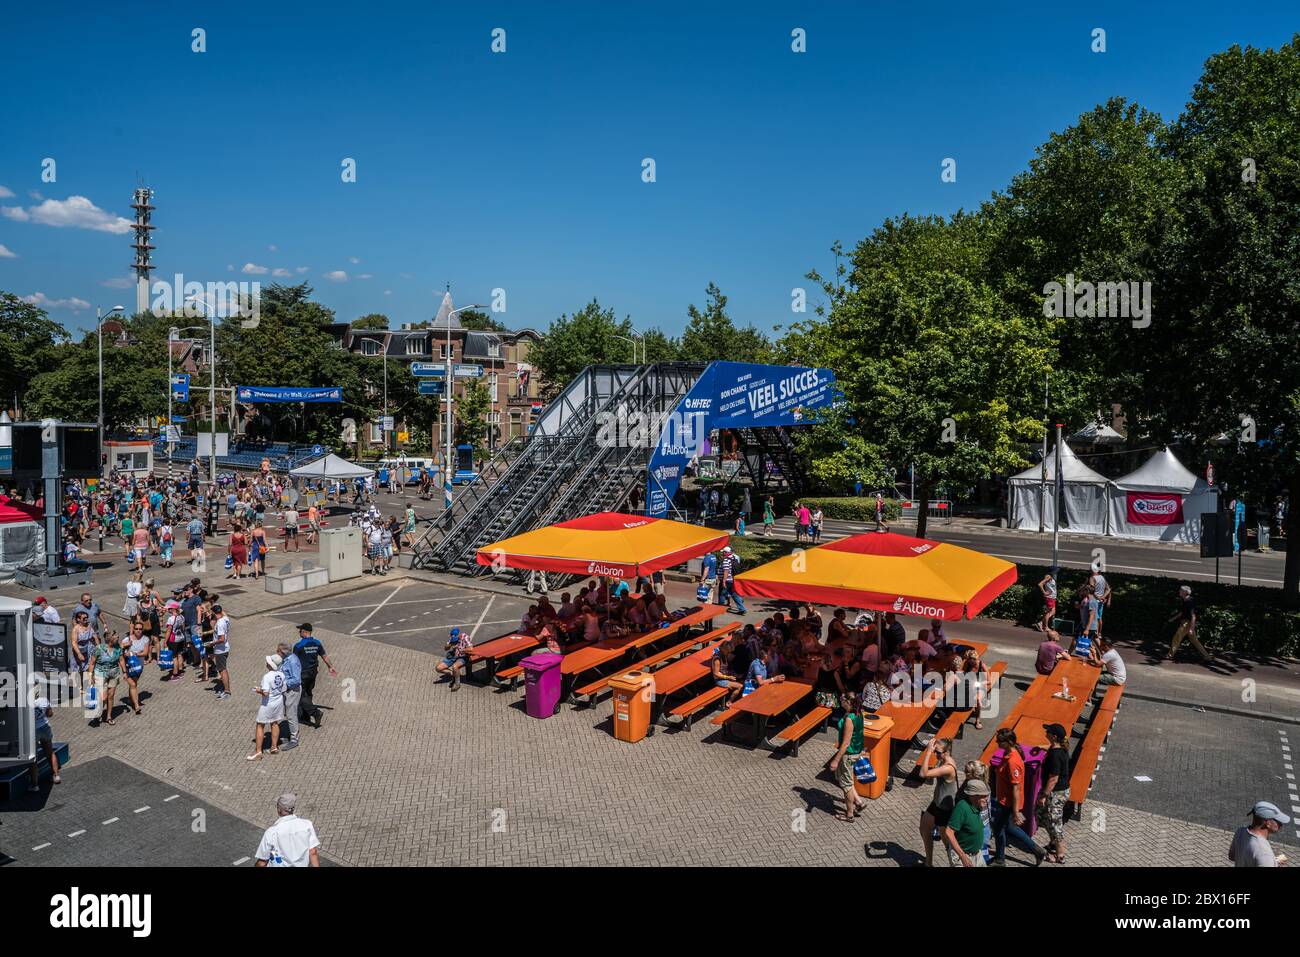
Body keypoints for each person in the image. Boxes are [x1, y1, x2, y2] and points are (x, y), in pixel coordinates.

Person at [988, 728, 1047, 865]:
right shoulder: (1009, 753)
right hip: (1005, 800)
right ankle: (1037, 850)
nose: (997, 743)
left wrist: (1015, 811)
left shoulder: (1012, 761)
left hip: (1007, 803)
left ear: (1008, 742)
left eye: (1000, 741)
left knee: (998, 829)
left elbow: (1016, 788)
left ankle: (1000, 859)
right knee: (1010, 828)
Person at [918, 736, 959, 866]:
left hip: (944, 809)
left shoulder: (948, 767)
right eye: (935, 751)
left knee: (947, 841)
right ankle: (928, 863)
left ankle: (957, 863)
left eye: (938, 752)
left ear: (946, 753)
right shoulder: (943, 759)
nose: (935, 754)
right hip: (937, 804)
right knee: (924, 829)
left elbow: (923, 774)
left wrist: (928, 752)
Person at [827, 693, 866, 822]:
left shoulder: (850, 718)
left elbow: (846, 743)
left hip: (848, 754)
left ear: (848, 702)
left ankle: (849, 814)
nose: (840, 700)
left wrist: (836, 760)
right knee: (846, 779)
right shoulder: (858, 713)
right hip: (855, 751)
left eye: (842, 699)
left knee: (847, 785)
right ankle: (859, 803)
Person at [254, 792, 322, 866]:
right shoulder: (307, 825)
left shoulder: (272, 832)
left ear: (279, 809)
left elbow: (262, 862)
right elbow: (313, 852)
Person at [1037, 723, 1071, 863]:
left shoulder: (1056, 755)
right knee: (1042, 816)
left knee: (1054, 822)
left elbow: (1053, 778)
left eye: (1048, 731)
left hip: (1056, 793)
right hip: (1058, 791)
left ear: (1054, 736)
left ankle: (1060, 853)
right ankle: (1053, 842)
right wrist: (1040, 748)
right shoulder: (1058, 748)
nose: (1046, 731)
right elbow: (1051, 749)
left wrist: (1043, 795)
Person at [293, 623, 336, 727]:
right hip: (313, 672)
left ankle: (315, 713)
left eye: (300, 631)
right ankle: (305, 715)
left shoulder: (299, 646)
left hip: (303, 673)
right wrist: (330, 667)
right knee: (308, 692)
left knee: (300, 695)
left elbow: (293, 661)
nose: (299, 632)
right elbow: (324, 656)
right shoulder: (317, 643)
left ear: (304, 632)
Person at [943, 779, 990, 867]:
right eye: (983, 796)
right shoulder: (962, 808)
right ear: (973, 796)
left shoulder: (977, 806)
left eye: (986, 796)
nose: (986, 799)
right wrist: (963, 856)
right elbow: (948, 832)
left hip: (977, 854)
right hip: (963, 856)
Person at [249, 653, 287, 761]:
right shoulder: (281, 674)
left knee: (260, 725)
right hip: (278, 701)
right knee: (274, 723)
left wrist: (257, 690)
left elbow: (265, 693)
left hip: (268, 703)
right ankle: (274, 747)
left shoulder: (267, 677)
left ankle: (258, 751)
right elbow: (283, 688)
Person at [1229, 801, 1291, 867]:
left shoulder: (1240, 831)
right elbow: (1261, 857)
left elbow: (1232, 856)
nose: (1281, 825)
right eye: (1278, 821)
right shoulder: (1264, 854)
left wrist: (1273, 862)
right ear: (1268, 823)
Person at [86, 629, 125, 726]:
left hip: (114, 674)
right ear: (110, 638)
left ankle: (108, 717)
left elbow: (121, 660)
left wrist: (124, 671)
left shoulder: (118, 648)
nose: (118, 638)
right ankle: (97, 714)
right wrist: (90, 676)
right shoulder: (98, 649)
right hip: (100, 674)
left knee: (111, 696)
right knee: (103, 697)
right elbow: (91, 663)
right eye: (116, 637)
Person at [1167, 584, 1212, 663]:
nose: (1179, 591)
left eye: (1181, 590)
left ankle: (1170, 655)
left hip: (1186, 624)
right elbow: (1182, 612)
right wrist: (1172, 619)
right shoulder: (1185, 600)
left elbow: (1193, 616)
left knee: (1176, 638)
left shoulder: (1189, 602)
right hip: (1187, 624)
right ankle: (1207, 657)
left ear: (1185, 592)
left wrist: (1191, 628)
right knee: (1195, 641)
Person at [28, 692, 62, 790]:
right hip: (45, 727)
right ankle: (56, 776)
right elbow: (50, 714)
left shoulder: (25, 702)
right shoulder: (43, 699)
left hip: (33, 730)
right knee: (50, 753)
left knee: (33, 758)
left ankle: (35, 785)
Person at [121, 620, 149, 715]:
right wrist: (125, 646)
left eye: (140, 629)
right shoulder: (127, 639)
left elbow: (145, 653)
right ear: (133, 629)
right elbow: (119, 650)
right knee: (133, 685)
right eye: (136, 629)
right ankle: (136, 705)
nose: (138, 630)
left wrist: (133, 653)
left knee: (134, 684)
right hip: (128, 666)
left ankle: (130, 699)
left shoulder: (145, 639)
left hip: (139, 666)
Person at [211, 604, 232, 699]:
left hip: (221, 649)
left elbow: (222, 639)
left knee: (222, 670)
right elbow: (223, 612)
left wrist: (212, 643)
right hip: (225, 648)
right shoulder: (226, 619)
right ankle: (225, 688)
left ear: (214, 613)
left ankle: (226, 691)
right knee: (222, 669)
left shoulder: (219, 623)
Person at [718, 545, 745, 615]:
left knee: (722, 594)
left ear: (726, 552)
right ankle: (742, 609)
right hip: (731, 580)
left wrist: (723, 581)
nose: (722, 553)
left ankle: (720, 608)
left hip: (727, 580)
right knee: (734, 594)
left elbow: (726, 571)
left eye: (723, 552)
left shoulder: (726, 560)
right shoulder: (732, 558)